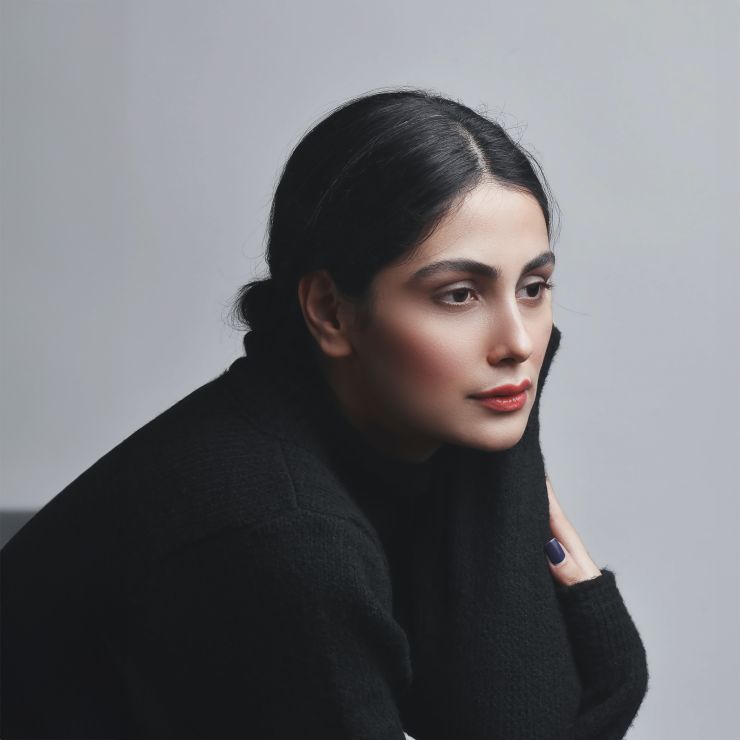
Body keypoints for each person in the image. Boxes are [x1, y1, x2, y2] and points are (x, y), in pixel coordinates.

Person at [1, 87, 649, 739]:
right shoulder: (287, 534)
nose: (519, 342)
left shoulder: (379, 433)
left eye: (533, 288)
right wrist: (617, 674)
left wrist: (502, 456)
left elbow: (495, 720)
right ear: (330, 312)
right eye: (458, 295)